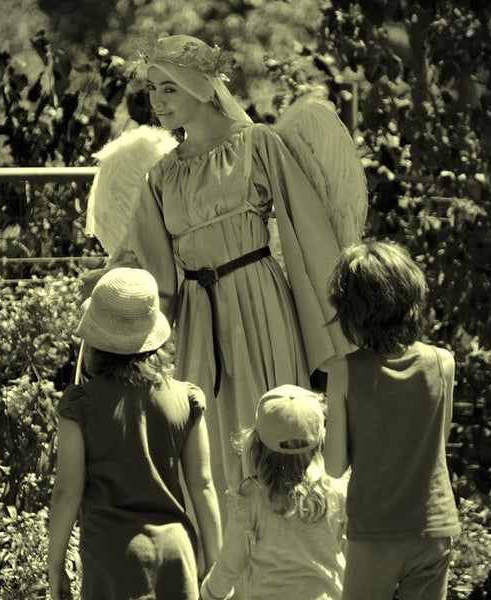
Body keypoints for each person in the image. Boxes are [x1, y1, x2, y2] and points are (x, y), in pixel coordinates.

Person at [109, 33, 357, 514]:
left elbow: (309, 232)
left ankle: (297, 557)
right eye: (152, 90)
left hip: (261, 303)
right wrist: (122, 330)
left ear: (200, 86)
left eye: (168, 89)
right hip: (201, 320)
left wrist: (340, 321)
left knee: (278, 426)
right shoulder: (160, 177)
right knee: (211, 444)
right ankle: (229, 572)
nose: (156, 102)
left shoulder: (258, 146)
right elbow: (157, 276)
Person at [48, 267, 222, 600]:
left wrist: (55, 569)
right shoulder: (185, 399)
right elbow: (202, 485)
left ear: (95, 339)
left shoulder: (80, 405)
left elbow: (67, 492)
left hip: (112, 560)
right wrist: (215, 564)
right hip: (176, 557)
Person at [323, 240, 460, 600]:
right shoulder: (443, 363)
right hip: (434, 527)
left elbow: (335, 467)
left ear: (351, 312)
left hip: (375, 532)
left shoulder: (342, 373)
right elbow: (437, 446)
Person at [200, 384, 347, 600]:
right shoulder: (336, 491)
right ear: (320, 439)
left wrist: (209, 594)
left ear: (257, 443)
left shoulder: (251, 498)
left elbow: (230, 564)